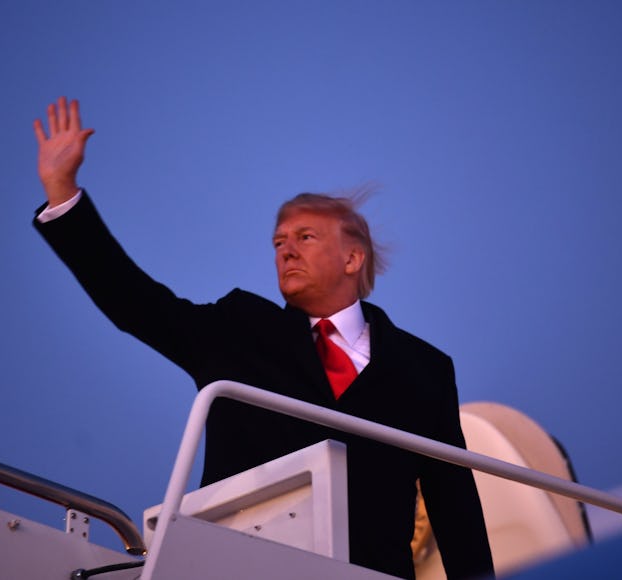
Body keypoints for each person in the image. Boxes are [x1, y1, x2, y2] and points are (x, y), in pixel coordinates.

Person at [32, 96, 494, 579]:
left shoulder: (424, 369)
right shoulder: (239, 329)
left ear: (352, 259)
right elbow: (138, 304)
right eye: (278, 241)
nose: (286, 250)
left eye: (305, 237)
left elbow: (455, 505)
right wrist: (63, 192)